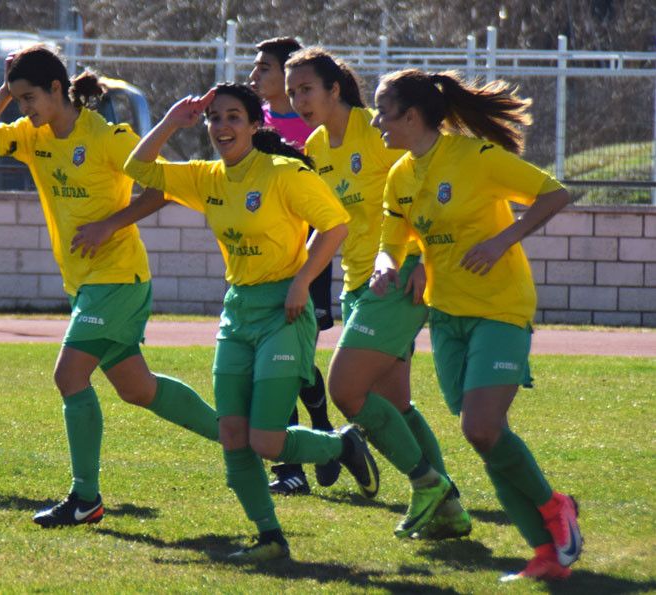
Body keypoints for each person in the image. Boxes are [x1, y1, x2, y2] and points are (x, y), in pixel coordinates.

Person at [0, 45, 220, 528]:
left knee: (68, 376)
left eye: (30, 97)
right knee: (139, 390)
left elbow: (161, 188)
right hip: (87, 284)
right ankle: (245, 437)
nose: (24, 109)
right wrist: (4, 89)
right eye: (18, 99)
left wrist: (109, 225)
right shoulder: (30, 135)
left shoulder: (107, 137)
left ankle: (85, 498)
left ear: (58, 89)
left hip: (117, 279)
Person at [124, 82, 379, 562]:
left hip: (284, 311)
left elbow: (336, 225)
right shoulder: (207, 177)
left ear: (256, 124)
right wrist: (169, 121)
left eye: (233, 117)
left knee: (266, 440)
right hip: (237, 311)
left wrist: (303, 282)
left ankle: (340, 447)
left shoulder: (283, 172)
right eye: (214, 118)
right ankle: (270, 539)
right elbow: (136, 168)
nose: (222, 127)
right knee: (233, 439)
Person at [369, 68, 582, 581]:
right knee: (486, 436)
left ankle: (556, 510)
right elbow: (392, 230)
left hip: (501, 307)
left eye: (383, 111)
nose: (376, 121)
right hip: (447, 317)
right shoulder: (401, 173)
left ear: (412, 116)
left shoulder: (477, 158)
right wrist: (386, 262)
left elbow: (554, 194)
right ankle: (548, 553)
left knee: (480, 426)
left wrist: (502, 240)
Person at [285, 48, 468, 539]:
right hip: (358, 283)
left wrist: (423, 260)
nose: (298, 100)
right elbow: (331, 222)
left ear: (334, 89)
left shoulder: (378, 128)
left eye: (306, 89)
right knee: (397, 403)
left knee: (346, 390)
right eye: (292, 93)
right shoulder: (318, 147)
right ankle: (449, 506)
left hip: (399, 278)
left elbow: (428, 183)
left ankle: (426, 483)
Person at [249, 37, 340, 496]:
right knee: (275, 355)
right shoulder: (252, 122)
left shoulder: (316, 131)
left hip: (307, 257)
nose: (254, 76)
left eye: (263, 67)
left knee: (297, 358)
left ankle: (321, 425)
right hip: (264, 259)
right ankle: (292, 466)